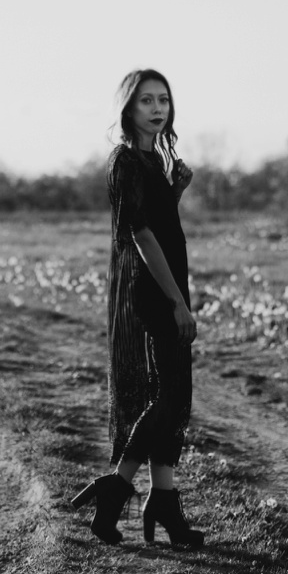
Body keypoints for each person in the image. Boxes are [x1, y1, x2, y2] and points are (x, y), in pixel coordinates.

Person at [69, 69, 204, 548]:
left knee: (171, 398)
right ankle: (121, 487)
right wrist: (176, 303)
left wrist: (175, 190)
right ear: (127, 109)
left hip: (165, 285)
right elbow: (141, 235)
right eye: (145, 101)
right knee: (163, 398)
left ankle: (162, 498)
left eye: (163, 100)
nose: (156, 108)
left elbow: (160, 223)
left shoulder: (152, 161)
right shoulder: (124, 161)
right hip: (147, 292)